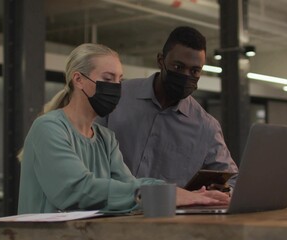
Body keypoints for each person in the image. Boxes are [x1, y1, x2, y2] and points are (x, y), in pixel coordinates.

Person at [18, 43, 229, 214]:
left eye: (120, 80)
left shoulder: (105, 137)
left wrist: (178, 192)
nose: (116, 87)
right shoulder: (48, 128)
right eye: (108, 79)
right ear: (79, 80)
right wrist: (166, 195)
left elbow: (129, 183)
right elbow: (76, 190)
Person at [97, 26, 238, 188]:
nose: (186, 76)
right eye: (178, 67)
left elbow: (232, 180)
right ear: (160, 60)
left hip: (167, 211)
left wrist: (222, 190)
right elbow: (86, 149)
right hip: (109, 208)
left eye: (194, 71)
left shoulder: (206, 127)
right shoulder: (119, 96)